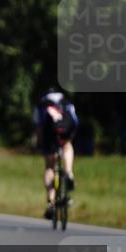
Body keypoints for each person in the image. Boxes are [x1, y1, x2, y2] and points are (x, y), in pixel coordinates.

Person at [33, 88, 79, 220]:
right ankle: (69, 173)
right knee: (67, 146)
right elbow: (75, 122)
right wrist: (69, 138)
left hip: (49, 133)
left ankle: (51, 203)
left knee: (49, 167)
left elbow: (39, 126)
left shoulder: (41, 104)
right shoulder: (66, 101)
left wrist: (40, 144)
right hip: (65, 129)